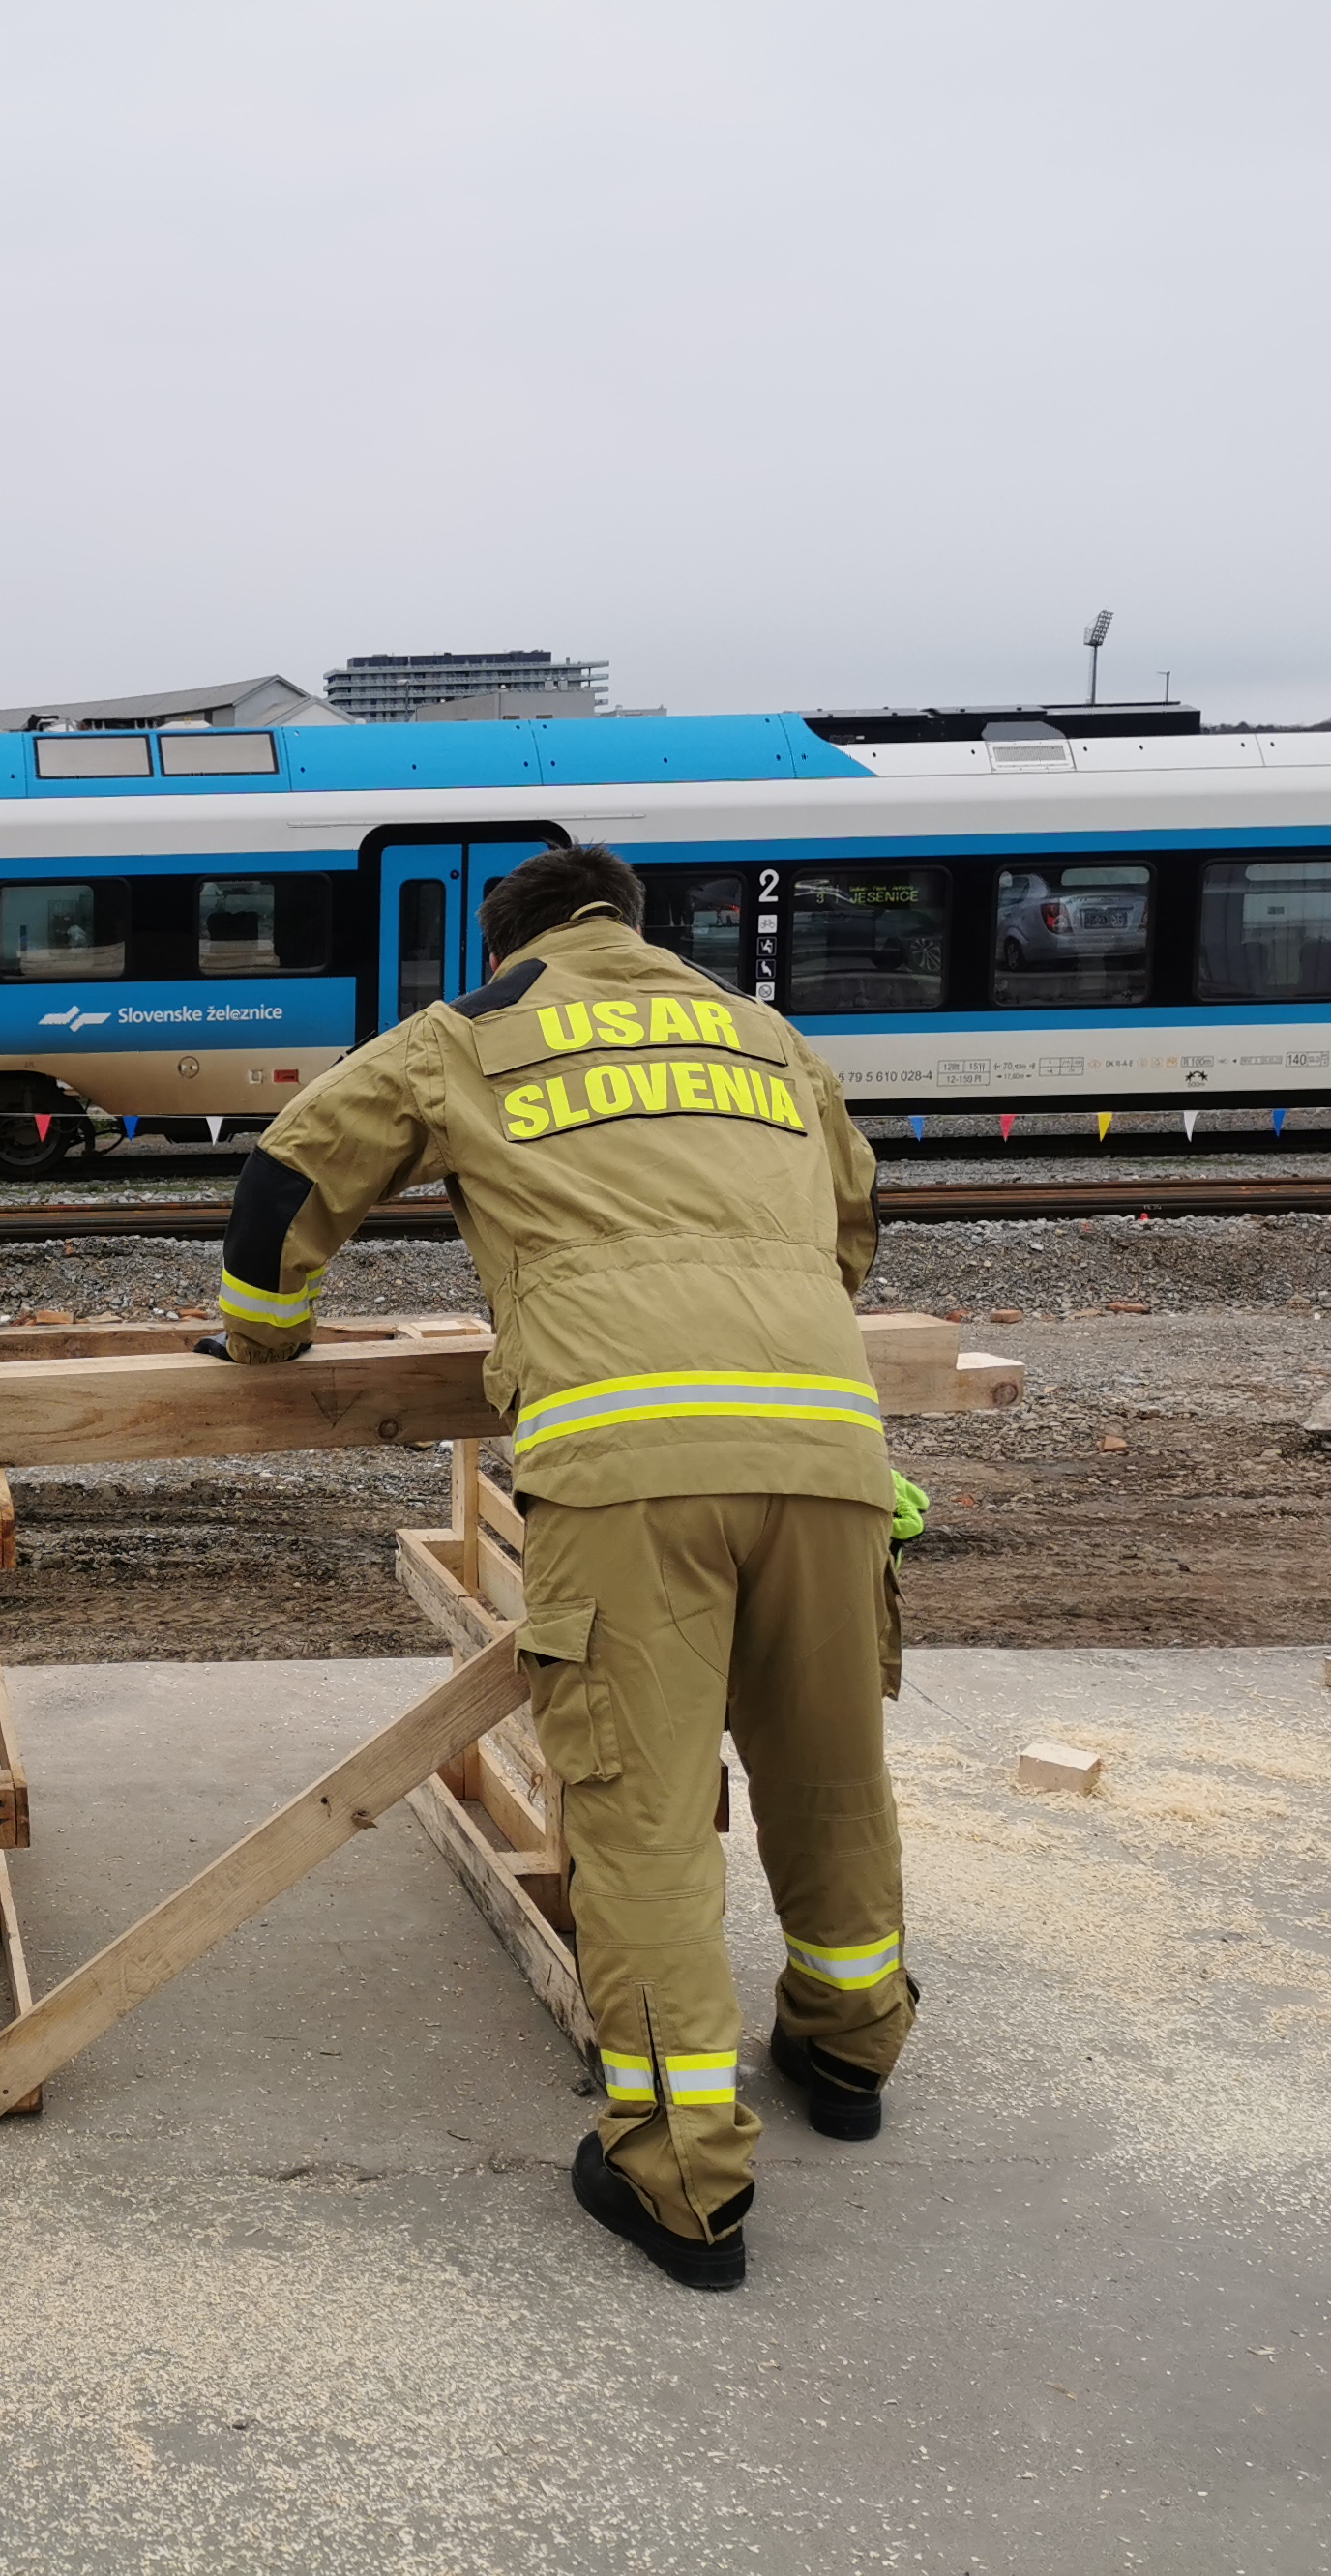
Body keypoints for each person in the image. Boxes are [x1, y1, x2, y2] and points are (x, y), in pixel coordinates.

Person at [206, 841, 913, 2293]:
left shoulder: (472, 1031)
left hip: (630, 1470)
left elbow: (288, 1182)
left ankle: (682, 2179)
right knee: (830, 1767)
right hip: (832, 1449)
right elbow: (853, 1231)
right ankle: (849, 2055)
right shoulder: (769, 1039)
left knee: (642, 1816)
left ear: (508, 936)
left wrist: (262, 1340)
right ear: (637, 931)